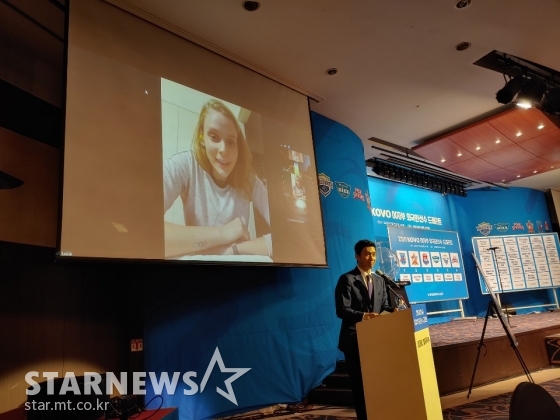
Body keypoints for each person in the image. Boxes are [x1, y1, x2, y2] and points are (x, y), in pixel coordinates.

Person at [163, 98, 271, 258]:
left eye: (231, 142)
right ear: (202, 138)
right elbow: (142, 227)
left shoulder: (249, 180)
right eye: (214, 137)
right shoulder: (184, 166)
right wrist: (222, 233)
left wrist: (232, 250)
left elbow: (287, 234)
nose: (223, 149)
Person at [334, 239, 394, 420]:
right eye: (367, 254)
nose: (372, 258)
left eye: (374, 254)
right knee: (360, 385)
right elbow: (342, 310)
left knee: (377, 383)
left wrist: (394, 311)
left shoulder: (379, 280)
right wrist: (364, 316)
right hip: (355, 340)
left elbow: (383, 306)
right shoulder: (347, 279)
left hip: (376, 339)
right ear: (357, 256)